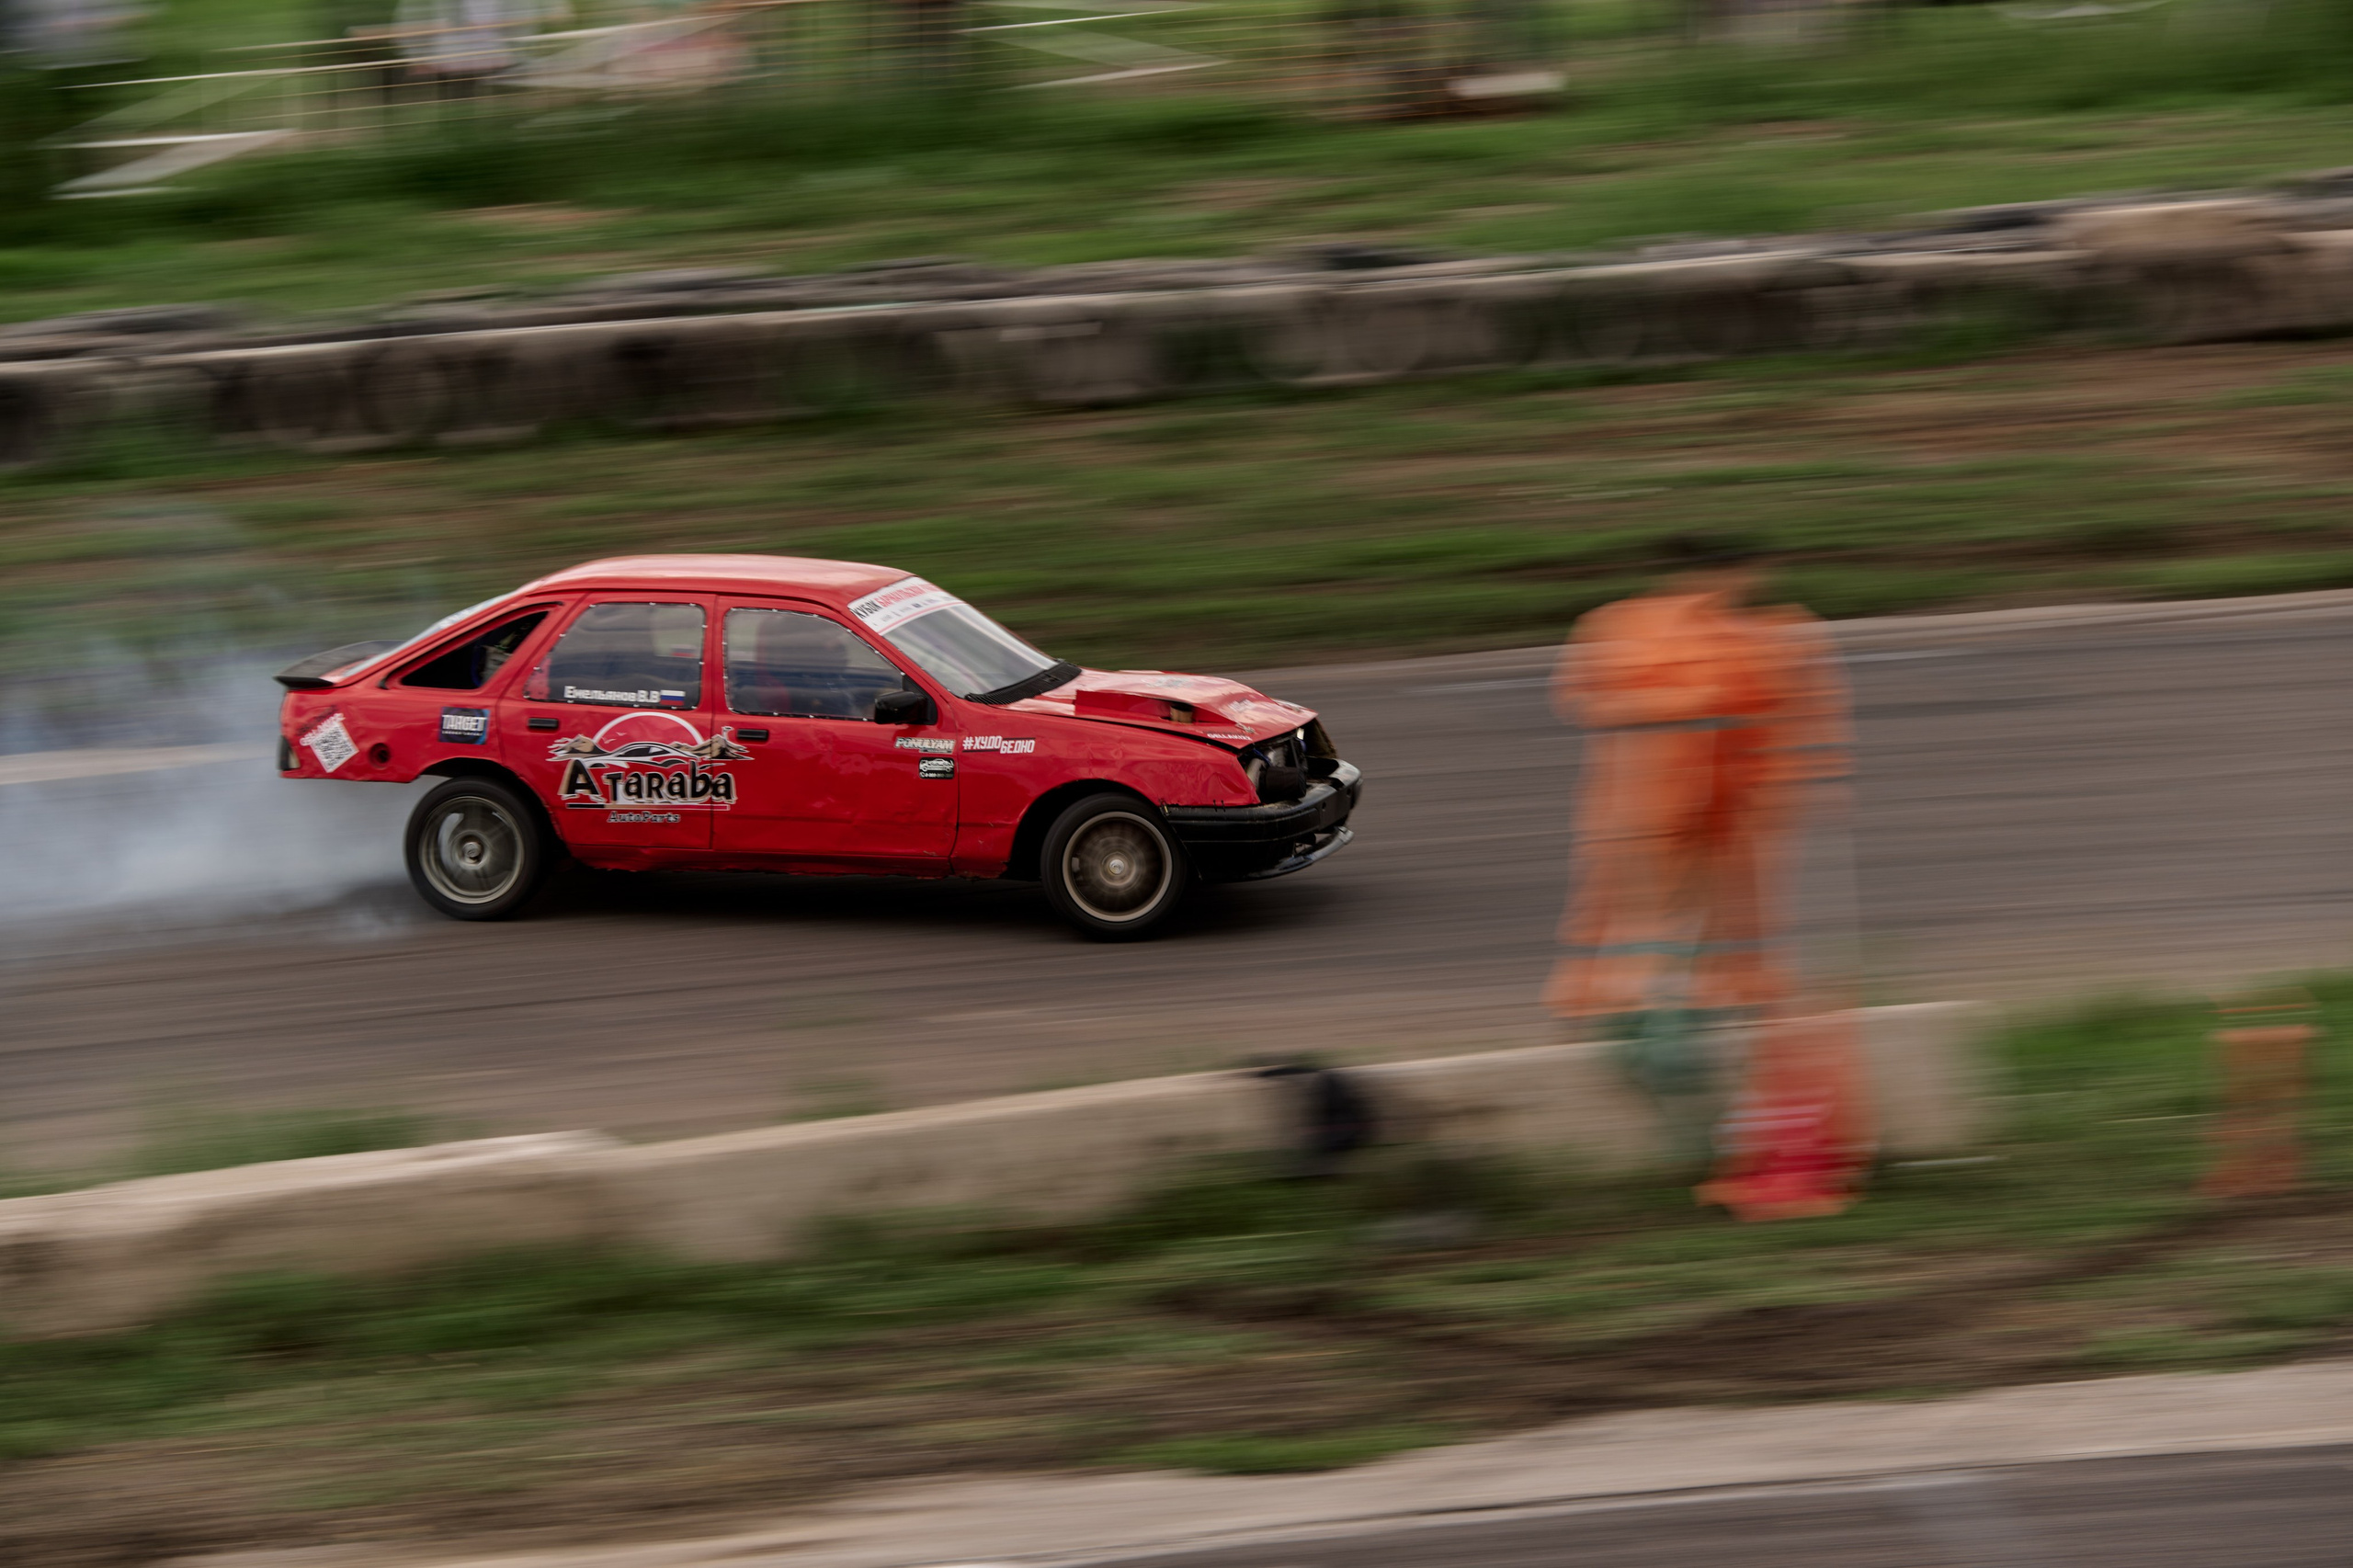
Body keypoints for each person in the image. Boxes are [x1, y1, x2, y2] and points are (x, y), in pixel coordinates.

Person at [1547, 533, 1866, 1209]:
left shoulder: (1777, 634)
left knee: (1738, 929)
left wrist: (1811, 771)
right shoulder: (1625, 626)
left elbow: (1804, 713)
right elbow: (1592, 700)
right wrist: (1695, 701)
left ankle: (1732, 1026)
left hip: (1736, 808)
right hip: (1649, 806)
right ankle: (1631, 1016)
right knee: (1635, 927)